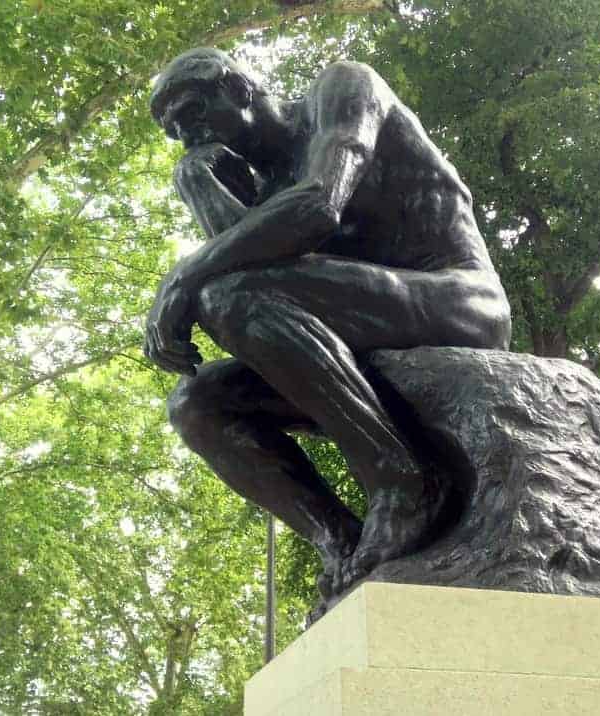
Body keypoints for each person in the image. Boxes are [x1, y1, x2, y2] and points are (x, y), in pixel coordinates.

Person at [145, 47, 511, 598]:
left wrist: (181, 277)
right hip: (357, 337)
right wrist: (197, 183)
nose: (188, 136)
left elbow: (318, 207)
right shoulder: (265, 187)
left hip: (457, 302)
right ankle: (339, 538)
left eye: (193, 115)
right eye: (175, 132)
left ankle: (402, 480)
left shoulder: (341, 91)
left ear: (238, 90)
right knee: (196, 404)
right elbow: (249, 266)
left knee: (225, 293)